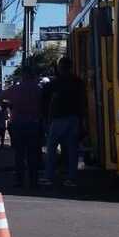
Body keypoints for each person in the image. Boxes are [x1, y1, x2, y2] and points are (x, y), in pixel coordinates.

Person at [43, 57, 87, 188]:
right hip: (74, 118)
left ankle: (49, 176)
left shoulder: (55, 83)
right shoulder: (78, 82)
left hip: (58, 119)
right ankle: (71, 177)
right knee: (72, 149)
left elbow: (46, 101)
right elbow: (83, 102)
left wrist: (47, 118)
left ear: (60, 68)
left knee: (51, 149)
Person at [3, 65, 45, 188]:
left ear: (23, 76)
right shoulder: (38, 89)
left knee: (19, 154)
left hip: (18, 123)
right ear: (33, 76)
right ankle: (33, 181)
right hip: (34, 123)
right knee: (33, 153)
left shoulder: (15, 89)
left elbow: (2, 98)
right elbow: (44, 105)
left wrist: (8, 106)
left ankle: (19, 180)